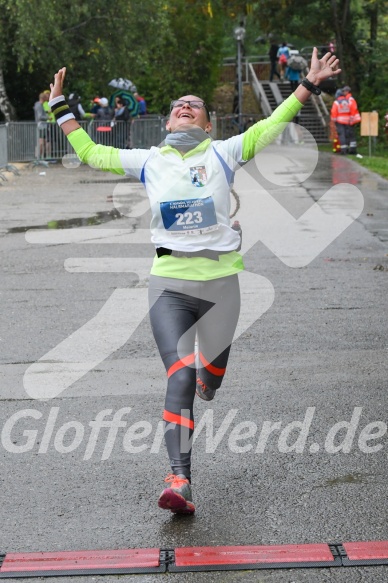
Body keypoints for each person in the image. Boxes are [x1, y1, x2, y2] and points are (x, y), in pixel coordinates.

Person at [49, 47, 340, 515]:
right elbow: (88, 150)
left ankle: (211, 379)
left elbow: (270, 126)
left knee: (211, 378)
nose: (185, 105)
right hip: (169, 285)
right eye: (177, 105)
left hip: (222, 286)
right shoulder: (148, 161)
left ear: (207, 125)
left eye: (195, 104)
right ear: (167, 123)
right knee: (180, 375)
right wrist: (58, 105)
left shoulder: (225, 153)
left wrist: (309, 83)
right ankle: (179, 478)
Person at [330, 89, 351, 155]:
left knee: (342, 135)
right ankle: (348, 149)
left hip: (340, 121)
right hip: (348, 120)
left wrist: (333, 120)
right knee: (347, 135)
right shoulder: (348, 101)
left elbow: (334, 112)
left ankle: (343, 150)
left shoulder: (336, 102)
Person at [342, 85, 361, 155]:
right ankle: (349, 149)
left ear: (347, 91)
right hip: (349, 119)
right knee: (348, 134)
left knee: (351, 134)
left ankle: (352, 150)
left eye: (344, 91)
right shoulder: (347, 99)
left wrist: (351, 118)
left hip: (351, 119)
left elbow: (353, 109)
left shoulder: (350, 99)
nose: (343, 92)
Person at [33, 92, 50, 159]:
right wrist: (47, 117)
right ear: (43, 98)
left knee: (42, 142)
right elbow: (40, 116)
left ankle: (40, 157)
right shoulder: (39, 105)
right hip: (41, 126)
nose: (47, 98)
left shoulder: (39, 105)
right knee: (41, 143)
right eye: (46, 97)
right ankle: (38, 157)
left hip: (42, 126)